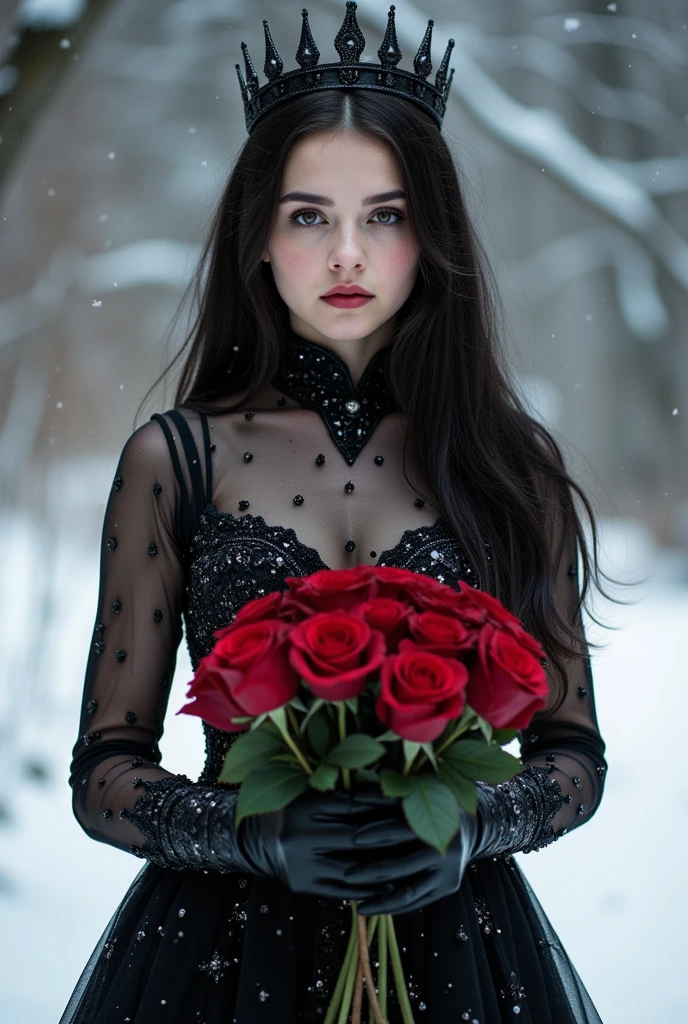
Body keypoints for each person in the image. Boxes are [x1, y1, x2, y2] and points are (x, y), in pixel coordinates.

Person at [60, 5, 622, 1022]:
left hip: (460, 942)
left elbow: (571, 754)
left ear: (432, 234)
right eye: (309, 214)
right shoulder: (174, 458)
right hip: (217, 953)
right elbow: (106, 771)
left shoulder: (508, 463)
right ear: (259, 237)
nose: (348, 254)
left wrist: (470, 824)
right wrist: (248, 831)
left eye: (388, 215)